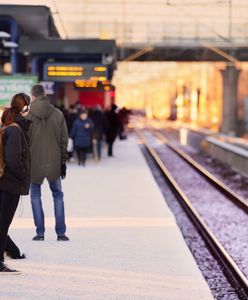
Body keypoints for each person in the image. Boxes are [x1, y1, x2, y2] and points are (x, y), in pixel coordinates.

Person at [27, 84, 69, 241]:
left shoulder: (28, 116)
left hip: (34, 164)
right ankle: (61, 233)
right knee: (58, 195)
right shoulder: (58, 114)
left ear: (32, 96)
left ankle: (40, 233)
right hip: (54, 163)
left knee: (35, 197)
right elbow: (64, 141)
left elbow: (24, 142)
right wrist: (63, 162)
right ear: (45, 94)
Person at [0, 93, 31, 274]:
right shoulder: (16, 129)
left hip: (3, 180)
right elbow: (13, 160)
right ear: (24, 107)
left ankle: (12, 251)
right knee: (3, 223)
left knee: (2, 221)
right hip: (10, 183)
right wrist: (22, 176)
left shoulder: (6, 126)